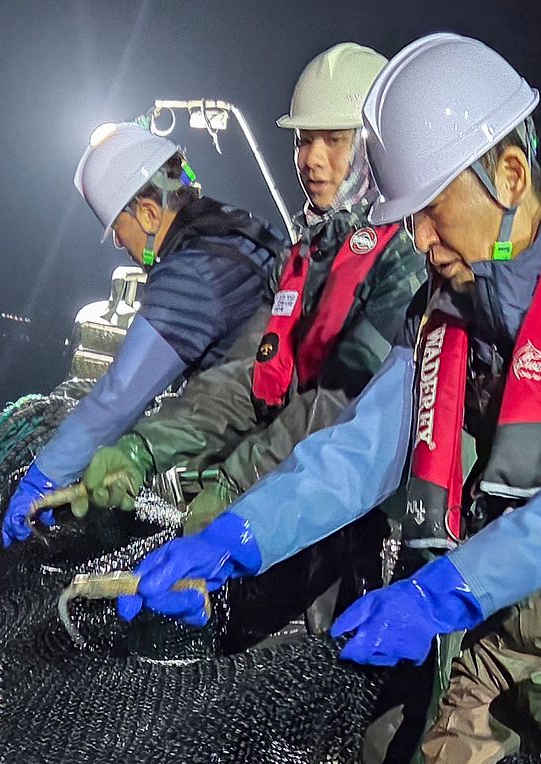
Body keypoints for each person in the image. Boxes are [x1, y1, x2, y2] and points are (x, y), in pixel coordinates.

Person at [120, 32, 541, 764]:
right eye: (407, 216)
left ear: (509, 174)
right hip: (503, 630)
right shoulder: (447, 310)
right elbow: (361, 449)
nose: (418, 239)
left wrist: (441, 594)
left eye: (430, 209)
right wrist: (237, 539)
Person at [66, 42, 426, 544]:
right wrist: (143, 448)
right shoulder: (303, 258)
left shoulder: (409, 258)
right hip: (295, 514)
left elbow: (341, 401)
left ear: (376, 148)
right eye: (303, 140)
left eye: (335, 140)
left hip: (372, 528)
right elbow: (245, 378)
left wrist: (236, 482)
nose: (312, 160)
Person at [0, 122, 282, 546]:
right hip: (293, 441)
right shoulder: (243, 228)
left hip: (264, 473)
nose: (118, 242)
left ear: (149, 214)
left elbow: (118, 398)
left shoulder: (191, 273)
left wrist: (43, 478)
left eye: (118, 227)